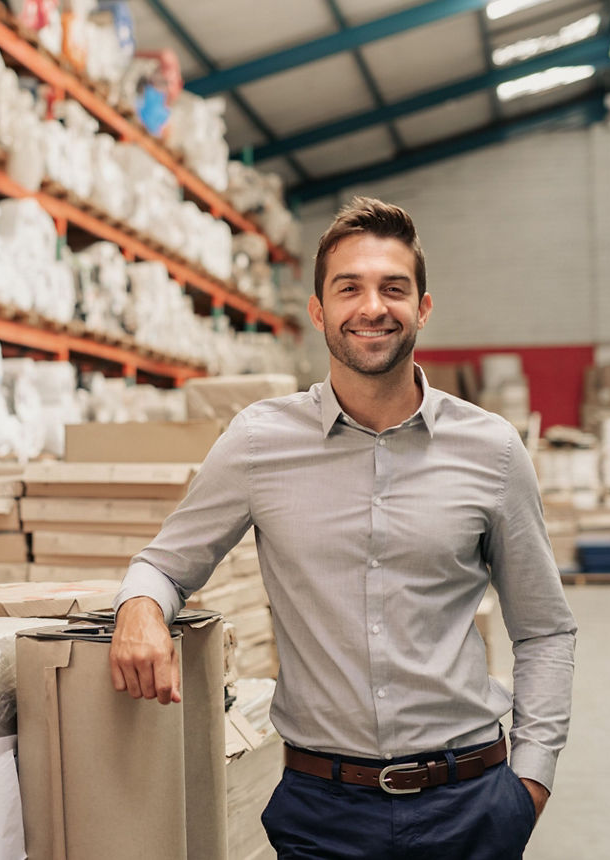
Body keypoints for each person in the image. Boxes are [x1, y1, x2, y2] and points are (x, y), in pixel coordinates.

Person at [108, 197, 576, 859]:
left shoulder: (491, 449)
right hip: (323, 809)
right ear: (319, 311)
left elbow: (545, 627)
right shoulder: (258, 443)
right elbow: (166, 563)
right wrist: (139, 606)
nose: (373, 307)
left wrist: (531, 780)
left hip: (469, 803)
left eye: (394, 288)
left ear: (424, 307)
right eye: (349, 287)